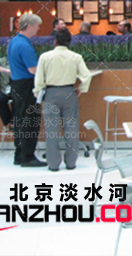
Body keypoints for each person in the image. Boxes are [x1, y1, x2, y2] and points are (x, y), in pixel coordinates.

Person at [34, 29, 91, 171]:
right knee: (71, 128)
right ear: (69, 42)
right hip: (69, 92)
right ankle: (71, 162)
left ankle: (53, 164)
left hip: (51, 93)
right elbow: (87, 75)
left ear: (55, 41)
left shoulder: (45, 57)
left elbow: (39, 80)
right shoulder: (76, 57)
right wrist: (81, 89)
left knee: (51, 130)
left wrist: (38, 94)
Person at [8, 13, 46, 167]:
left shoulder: (14, 41)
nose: (38, 29)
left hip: (16, 84)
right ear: (30, 26)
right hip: (27, 86)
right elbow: (33, 69)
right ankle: (28, 156)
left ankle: (19, 154)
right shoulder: (25, 46)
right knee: (30, 121)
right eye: (37, 26)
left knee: (19, 120)